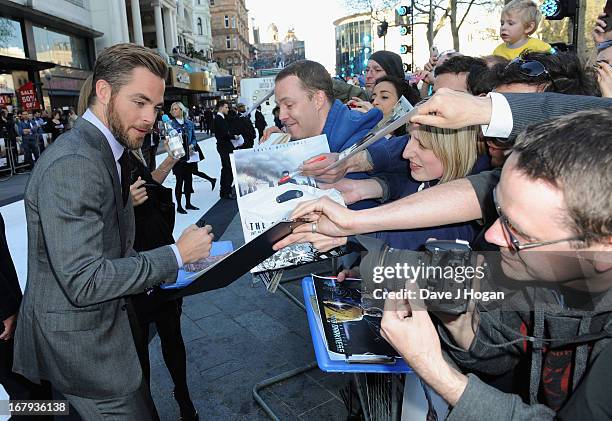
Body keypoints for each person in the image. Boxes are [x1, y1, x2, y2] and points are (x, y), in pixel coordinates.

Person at [12, 43, 214, 420]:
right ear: (103, 91)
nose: (150, 117)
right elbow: (84, 280)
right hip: (84, 354)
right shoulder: (75, 162)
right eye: (139, 102)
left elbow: (113, 249)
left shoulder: (105, 150)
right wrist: (176, 255)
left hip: (103, 337)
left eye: (154, 106)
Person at [380, 109, 612, 419]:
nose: (491, 235)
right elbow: (501, 356)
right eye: (498, 212)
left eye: (517, 232)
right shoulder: (542, 272)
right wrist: (456, 320)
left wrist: (435, 369)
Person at [128, 146, 199, 421]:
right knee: (138, 345)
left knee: (172, 334)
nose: (147, 119)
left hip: (161, 251)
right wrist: (124, 203)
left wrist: (170, 159)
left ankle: (183, 397)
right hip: (132, 263)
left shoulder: (131, 150)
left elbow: (148, 187)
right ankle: (148, 411)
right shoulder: (98, 155)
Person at [170, 101, 216, 213]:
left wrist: (191, 145)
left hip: (190, 155)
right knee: (179, 180)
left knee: (189, 179)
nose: (173, 111)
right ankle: (179, 206)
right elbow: (170, 141)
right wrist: (182, 150)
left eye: (176, 109)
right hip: (178, 156)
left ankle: (188, 203)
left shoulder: (189, 123)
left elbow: (194, 138)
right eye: (172, 109)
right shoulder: (171, 124)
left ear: (181, 110)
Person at [214, 99, 236, 199]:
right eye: (226, 107)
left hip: (225, 146)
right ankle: (226, 192)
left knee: (227, 169)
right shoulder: (218, 118)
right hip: (224, 146)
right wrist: (233, 136)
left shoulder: (222, 118)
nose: (228, 109)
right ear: (221, 107)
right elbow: (224, 133)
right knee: (228, 169)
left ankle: (225, 191)